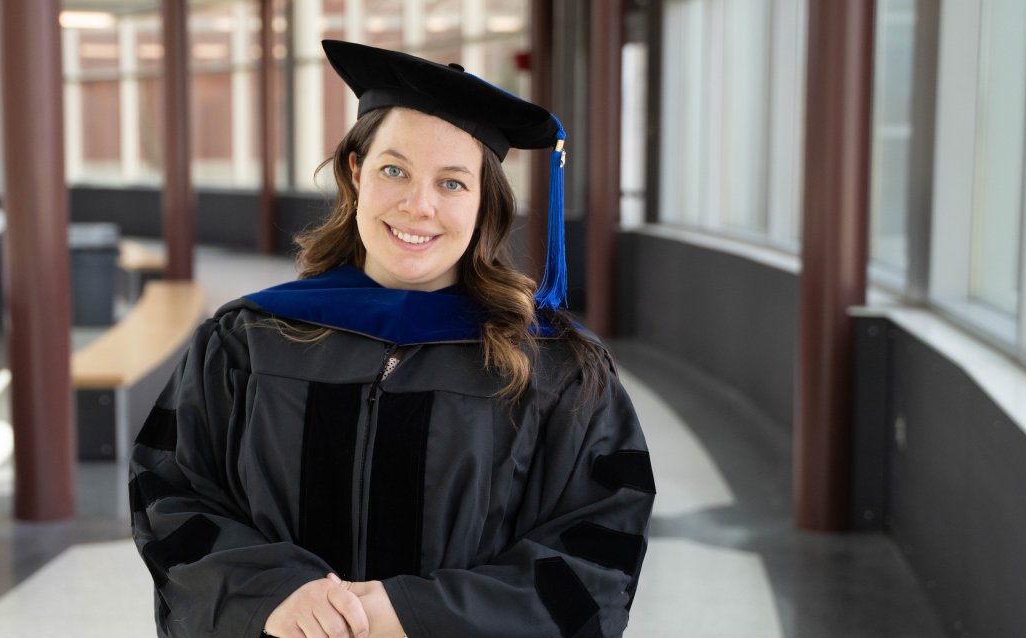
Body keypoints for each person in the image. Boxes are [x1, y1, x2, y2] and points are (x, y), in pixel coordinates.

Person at [130, 40, 654, 638]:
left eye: (452, 183)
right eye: (394, 170)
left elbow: (596, 557)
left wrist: (414, 614)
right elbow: (170, 495)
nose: (418, 205)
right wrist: (272, 593)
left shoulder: (558, 369)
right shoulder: (247, 342)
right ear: (357, 172)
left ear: (484, 200)